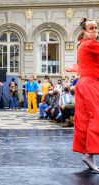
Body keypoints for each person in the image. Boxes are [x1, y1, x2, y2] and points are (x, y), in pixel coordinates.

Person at [66, 18, 99, 172]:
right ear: (84, 31)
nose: (95, 30)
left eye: (96, 27)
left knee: (86, 118)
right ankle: (89, 153)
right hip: (89, 83)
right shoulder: (91, 44)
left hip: (85, 83)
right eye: (91, 28)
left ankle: (89, 154)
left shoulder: (84, 44)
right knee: (95, 117)